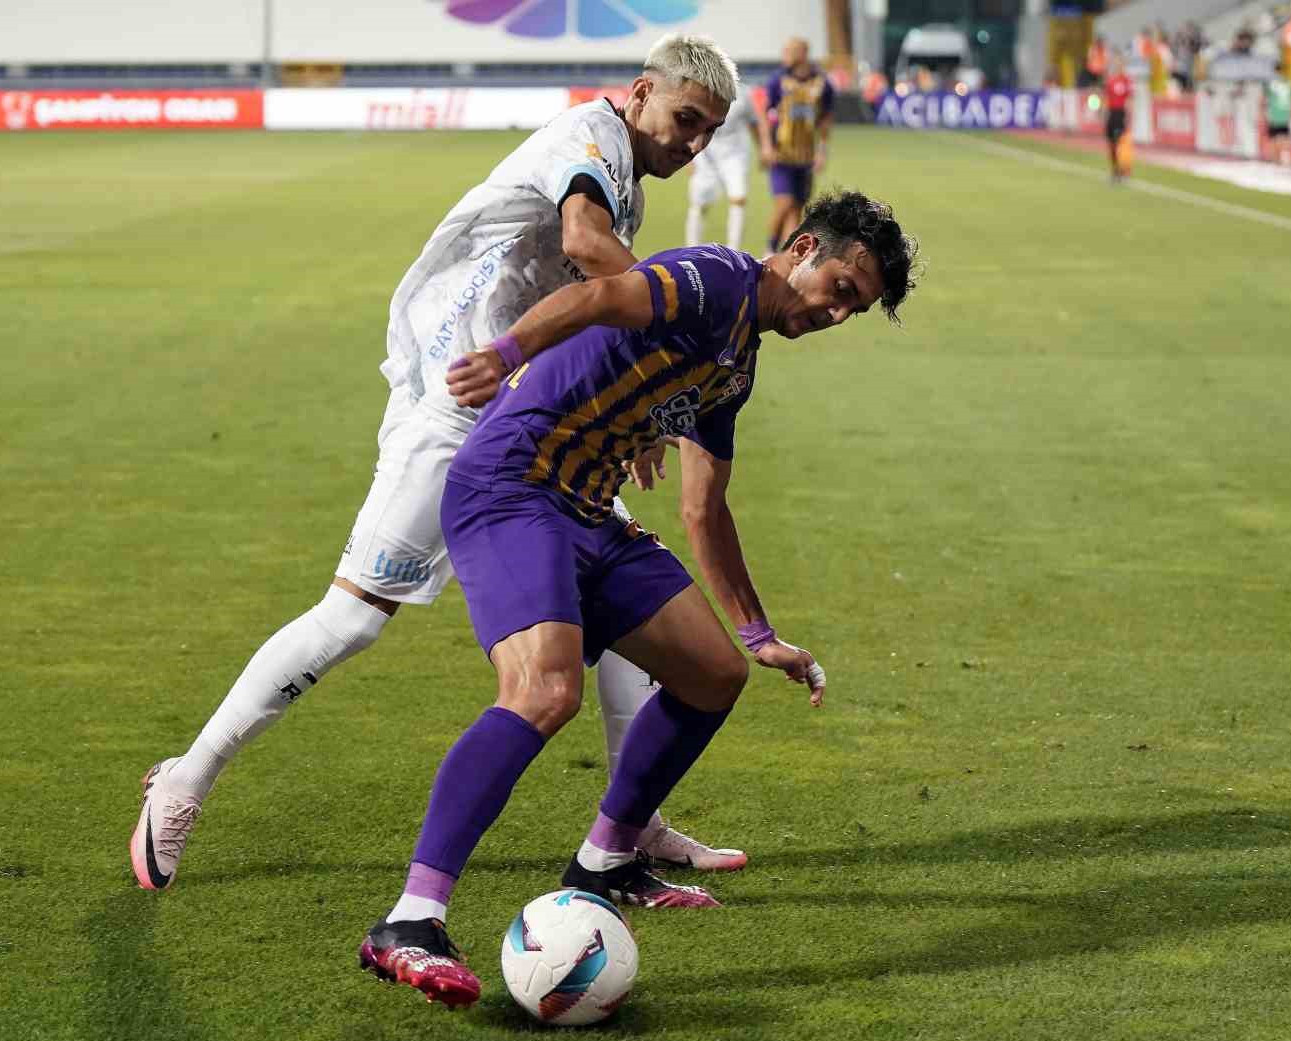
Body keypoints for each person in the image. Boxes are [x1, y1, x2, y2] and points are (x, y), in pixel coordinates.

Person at [129, 33, 745, 894]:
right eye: (686, 119)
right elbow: (588, 245)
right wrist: (672, 331)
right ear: (641, 92)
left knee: (617, 595)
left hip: (531, 429)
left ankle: (630, 828)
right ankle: (186, 776)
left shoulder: (625, 168)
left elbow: (591, 299)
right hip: (455, 412)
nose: (693, 142)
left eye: (709, 131)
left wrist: (635, 411)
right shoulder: (593, 142)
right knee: (353, 617)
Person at [357, 190, 919, 1008]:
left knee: (712, 675)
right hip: (512, 487)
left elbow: (704, 508)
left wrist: (758, 633)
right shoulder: (717, 279)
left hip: (584, 509)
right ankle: (411, 918)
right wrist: (506, 351)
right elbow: (597, 292)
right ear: (801, 247)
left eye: (855, 310)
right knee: (544, 692)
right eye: (840, 289)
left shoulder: (737, 363)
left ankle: (606, 859)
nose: (837, 314)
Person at [758, 38, 833, 254]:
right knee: (784, 202)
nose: (785, 54)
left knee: (797, 209)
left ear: (803, 53)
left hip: (806, 156)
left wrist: (822, 151)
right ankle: (768, 250)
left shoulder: (822, 83)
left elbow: (826, 119)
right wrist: (766, 145)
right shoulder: (777, 80)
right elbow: (764, 113)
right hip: (781, 154)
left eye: (789, 51)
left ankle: (784, 255)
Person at [684, 81, 759, 249]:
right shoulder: (700, 91)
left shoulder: (743, 93)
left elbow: (754, 122)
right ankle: (690, 249)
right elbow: (690, 125)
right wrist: (689, 157)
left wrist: (764, 148)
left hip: (735, 153)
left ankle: (734, 250)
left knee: (738, 198)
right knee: (699, 202)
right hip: (705, 152)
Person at [1104, 55, 1133, 183]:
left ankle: (1124, 171)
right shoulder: (1110, 81)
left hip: (1120, 114)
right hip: (1111, 114)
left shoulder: (1126, 81)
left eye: (1119, 64)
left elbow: (1130, 99)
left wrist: (1128, 115)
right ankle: (1115, 169)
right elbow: (1106, 99)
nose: (1117, 66)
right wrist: (1104, 114)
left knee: (1121, 144)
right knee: (1111, 144)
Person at [1267, 64, 1291, 165]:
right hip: (1284, 115)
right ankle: (1282, 158)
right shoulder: (1289, 84)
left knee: (1275, 139)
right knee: (1283, 137)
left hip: (1276, 115)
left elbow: (1267, 99)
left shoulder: (1273, 84)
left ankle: (1277, 160)